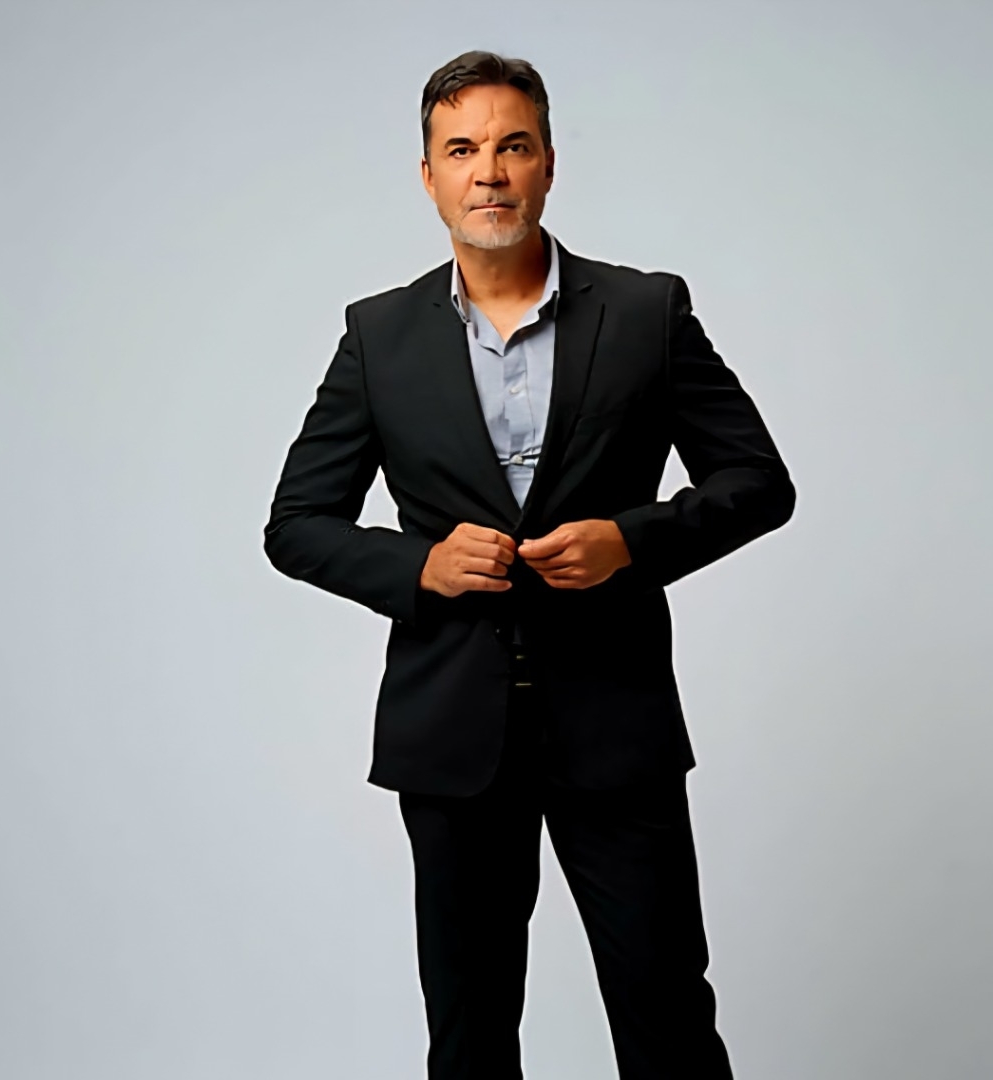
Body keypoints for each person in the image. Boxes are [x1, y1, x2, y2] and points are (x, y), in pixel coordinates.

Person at [263, 49, 795, 1080]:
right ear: (429, 176)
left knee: (667, 1017)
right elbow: (296, 523)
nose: (490, 172)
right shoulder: (377, 337)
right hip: (450, 734)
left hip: (616, 722)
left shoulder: (644, 313)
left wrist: (630, 542)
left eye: (513, 146)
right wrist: (420, 566)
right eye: (463, 150)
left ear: (549, 163)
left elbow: (758, 481)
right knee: (469, 1036)